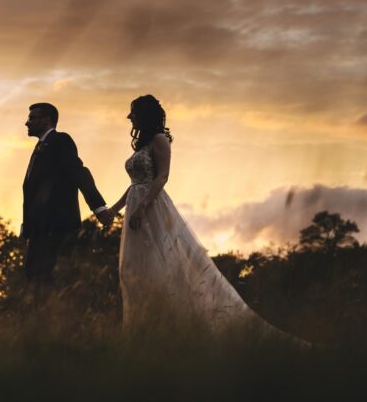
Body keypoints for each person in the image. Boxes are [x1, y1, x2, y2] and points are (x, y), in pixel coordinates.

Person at [108, 95, 293, 336]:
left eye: (133, 111)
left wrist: (143, 207)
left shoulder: (160, 140)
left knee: (162, 264)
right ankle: (145, 327)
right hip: (136, 206)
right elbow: (136, 184)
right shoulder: (142, 145)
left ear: (145, 114)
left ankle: (176, 325)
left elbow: (162, 177)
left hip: (151, 208)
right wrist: (116, 208)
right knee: (135, 267)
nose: (129, 116)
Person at [21, 102, 114, 284]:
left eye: (32, 118)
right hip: (38, 228)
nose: (27, 123)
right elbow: (32, 192)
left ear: (47, 120)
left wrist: (99, 207)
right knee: (33, 278)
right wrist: (27, 227)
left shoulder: (60, 141)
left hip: (54, 226)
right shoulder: (40, 146)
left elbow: (79, 172)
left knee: (46, 279)